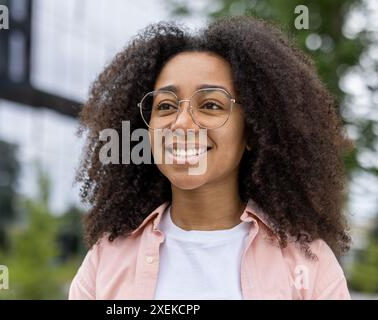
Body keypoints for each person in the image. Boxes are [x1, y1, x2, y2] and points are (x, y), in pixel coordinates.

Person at [69, 16, 353, 300]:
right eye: (166, 106)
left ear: (253, 131)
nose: (181, 124)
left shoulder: (311, 267)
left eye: (210, 105)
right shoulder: (105, 261)